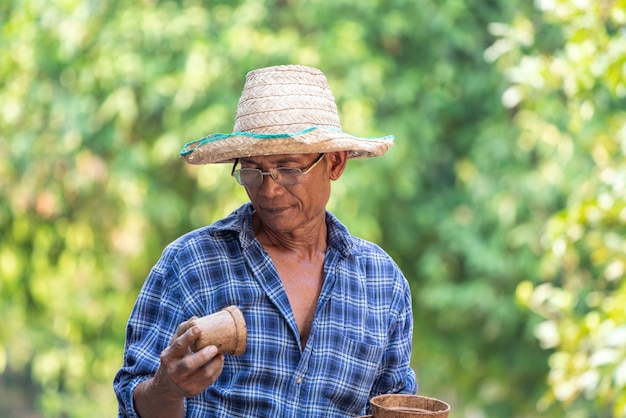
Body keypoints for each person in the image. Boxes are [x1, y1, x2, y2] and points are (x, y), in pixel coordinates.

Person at [113, 64, 417, 417]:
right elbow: (133, 403)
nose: (269, 189)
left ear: (335, 163)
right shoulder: (190, 263)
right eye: (253, 170)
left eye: (288, 168)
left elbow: (395, 403)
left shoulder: (382, 282)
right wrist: (167, 389)